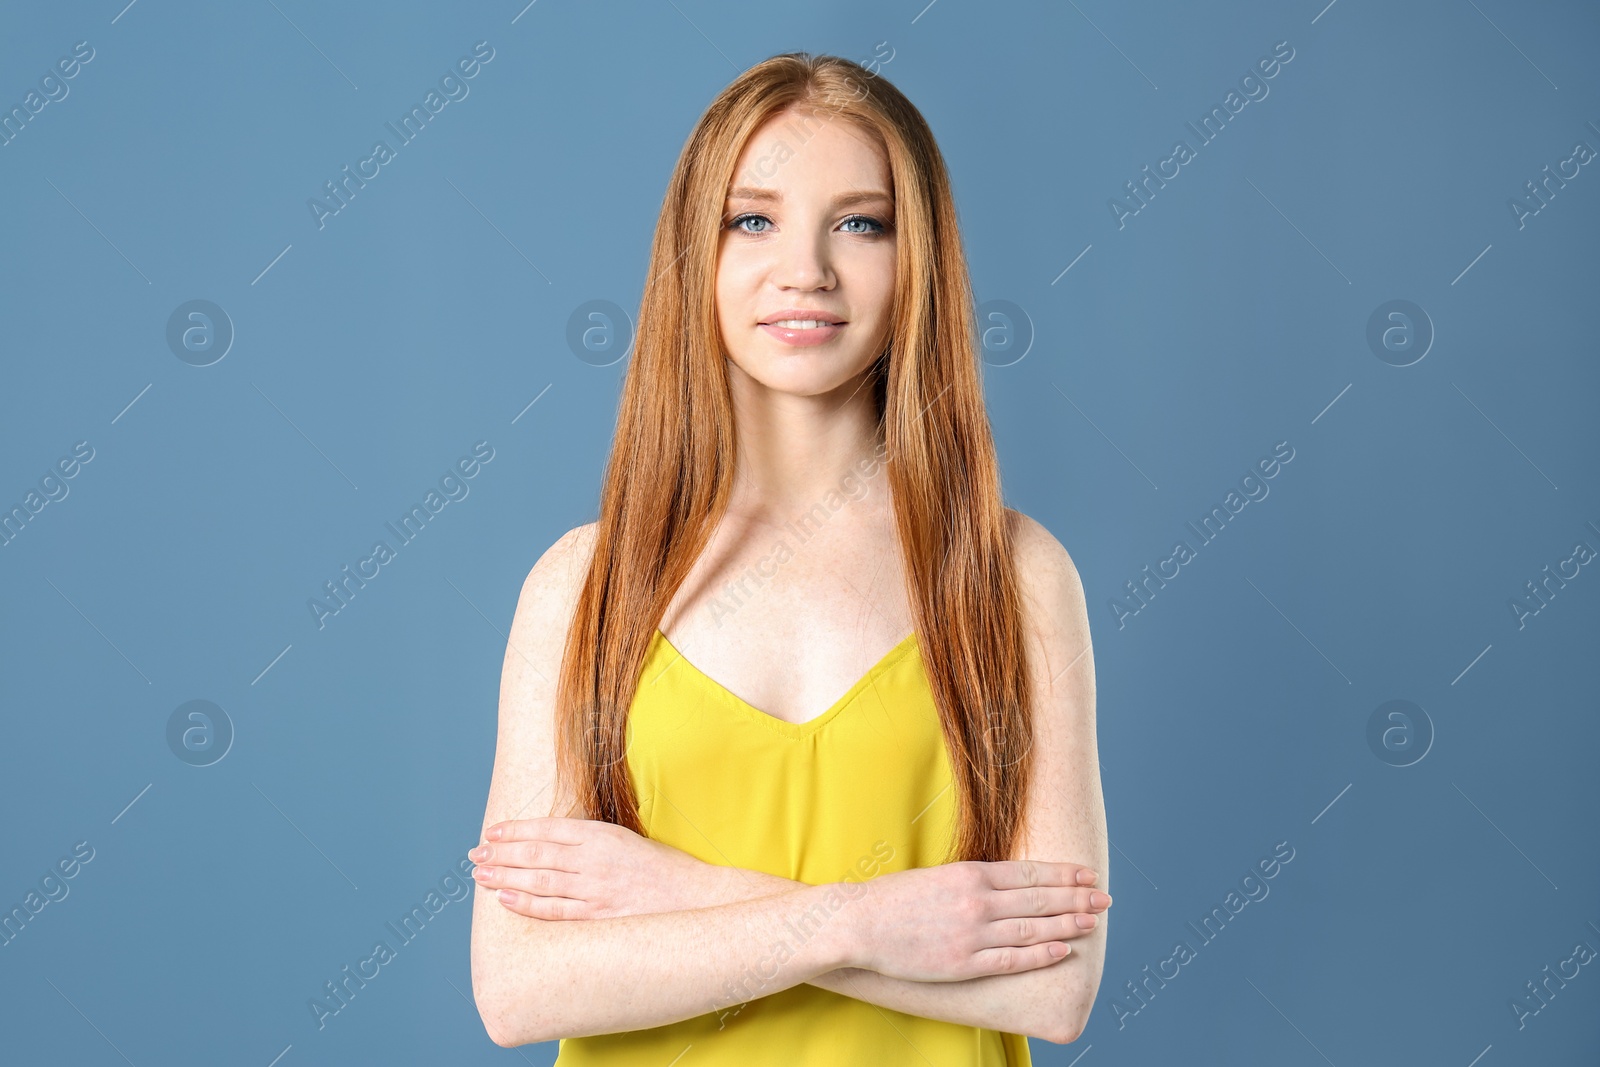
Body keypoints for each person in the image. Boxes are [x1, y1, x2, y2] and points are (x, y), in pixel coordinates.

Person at [468, 51, 1108, 1064]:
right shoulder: (581, 586)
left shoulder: (1015, 575)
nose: (804, 268)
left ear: (917, 260)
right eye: (752, 219)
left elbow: (1054, 986)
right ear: (697, 252)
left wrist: (674, 891)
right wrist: (864, 921)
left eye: (859, 222)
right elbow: (516, 986)